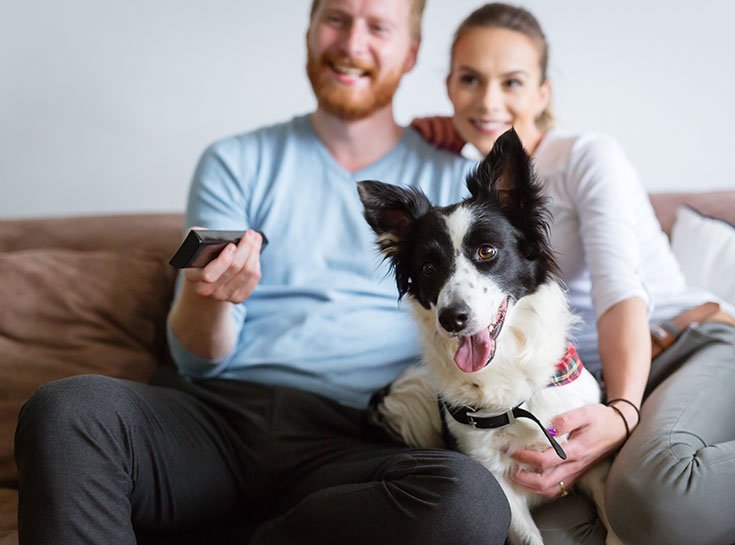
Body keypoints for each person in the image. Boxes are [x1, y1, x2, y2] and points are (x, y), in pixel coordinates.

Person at [13, 1, 515, 544]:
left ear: (411, 51)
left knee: (470, 501)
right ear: (309, 30)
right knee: (66, 410)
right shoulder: (236, 160)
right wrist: (212, 297)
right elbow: (195, 358)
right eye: (336, 20)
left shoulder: (455, 180)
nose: (351, 44)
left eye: (378, 28)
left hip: (361, 439)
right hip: (217, 420)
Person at [411, 4, 735, 545]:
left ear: (543, 91)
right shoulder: (460, 192)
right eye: (470, 80)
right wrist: (412, 134)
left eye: (511, 81)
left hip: (689, 345)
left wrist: (623, 412)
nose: (488, 100)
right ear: (449, 88)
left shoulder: (585, 156)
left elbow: (621, 293)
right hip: (583, 388)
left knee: (656, 496)